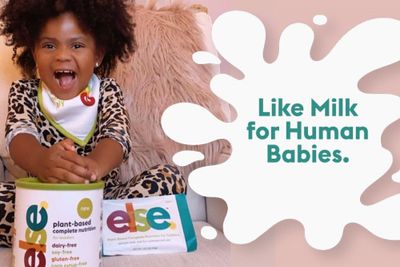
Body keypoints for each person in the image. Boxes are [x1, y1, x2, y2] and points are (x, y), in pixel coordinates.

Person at [0, 0, 186, 247]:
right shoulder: (24, 91)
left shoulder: (107, 91)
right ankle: (99, 232)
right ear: (34, 52)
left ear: (97, 54)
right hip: (43, 202)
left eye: (77, 45)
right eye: (48, 45)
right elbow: (18, 135)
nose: (62, 55)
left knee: (170, 177)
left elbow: (116, 137)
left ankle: (71, 232)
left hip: (104, 199)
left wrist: (91, 168)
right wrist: (41, 162)